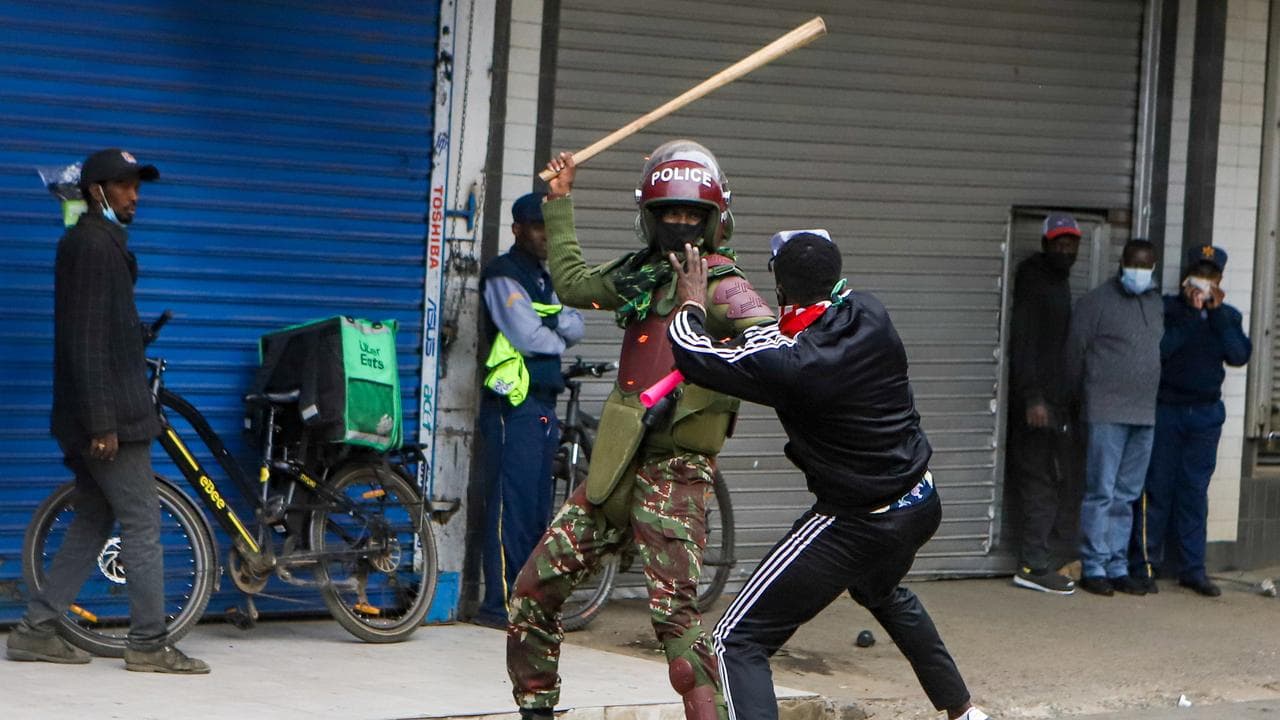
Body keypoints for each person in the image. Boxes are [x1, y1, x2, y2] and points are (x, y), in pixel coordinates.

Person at [666, 231, 988, 720]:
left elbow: (693, 353)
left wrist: (691, 302)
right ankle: (964, 712)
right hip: (921, 501)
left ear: (781, 290)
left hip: (858, 521)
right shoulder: (871, 312)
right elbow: (794, 332)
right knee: (878, 590)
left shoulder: (789, 365)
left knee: (738, 640)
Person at [506, 141, 773, 720]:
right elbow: (574, 283)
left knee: (676, 627)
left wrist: (697, 307)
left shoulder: (724, 283)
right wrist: (560, 199)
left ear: (715, 219)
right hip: (614, 469)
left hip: (676, 475)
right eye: (669, 214)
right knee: (532, 594)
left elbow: (772, 346)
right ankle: (537, 709)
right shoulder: (637, 273)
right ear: (650, 219)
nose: (680, 226)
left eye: (692, 215)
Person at [6, 149, 208, 674]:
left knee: (94, 517)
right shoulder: (94, 245)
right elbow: (85, 343)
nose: (134, 194)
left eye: (137, 185)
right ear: (97, 191)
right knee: (142, 522)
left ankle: (36, 629)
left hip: (99, 411)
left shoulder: (99, 244)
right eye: (123, 185)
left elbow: (103, 331)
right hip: (110, 417)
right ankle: (148, 643)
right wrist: (103, 424)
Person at [473, 192, 585, 627]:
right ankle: (498, 605)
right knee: (510, 505)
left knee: (537, 506)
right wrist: (556, 327)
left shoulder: (549, 276)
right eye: (538, 228)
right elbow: (527, 337)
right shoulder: (504, 274)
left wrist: (552, 323)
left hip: (541, 403)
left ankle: (528, 602)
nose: (546, 237)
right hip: (511, 404)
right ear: (518, 230)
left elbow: (578, 323)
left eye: (550, 229)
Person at [1129, 245, 1250, 597]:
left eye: (1211, 274)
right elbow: (1159, 351)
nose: (1204, 280)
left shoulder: (1227, 315)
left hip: (1205, 415)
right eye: (1199, 273)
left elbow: (1239, 354)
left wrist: (1213, 315)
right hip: (1167, 410)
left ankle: (1193, 570)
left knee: (1194, 492)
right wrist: (1188, 316)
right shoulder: (1167, 309)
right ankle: (1145, 566)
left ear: (1220, 280)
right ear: (1186, 277)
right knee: (1157, 488)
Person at [1066, 239, 1163, 597]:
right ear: (1121, 263)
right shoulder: (1095, 303)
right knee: (1101, 492)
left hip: (1145, 413)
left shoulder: (1155, 303)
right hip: (1105, 411)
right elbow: (1074, 354)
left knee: (1126, 495)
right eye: (1135, 264)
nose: (1140, 271)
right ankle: (1094, 565)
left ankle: (1118, 566)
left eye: (1147, 265)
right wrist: (1078, 400)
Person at [1007, 213, 1082, 595]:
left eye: (1071, 243)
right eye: (1059, 243)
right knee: (1039, 479)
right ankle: (1032, 565)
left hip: (1056, 404)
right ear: (1045, 244)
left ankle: (1038, 559)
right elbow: (1024, 341)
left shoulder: (1059, 281)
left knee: (1052, 479)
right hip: (1037, 406)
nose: (1066, 249)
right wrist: (1033, 398)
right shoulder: (1035, 279)